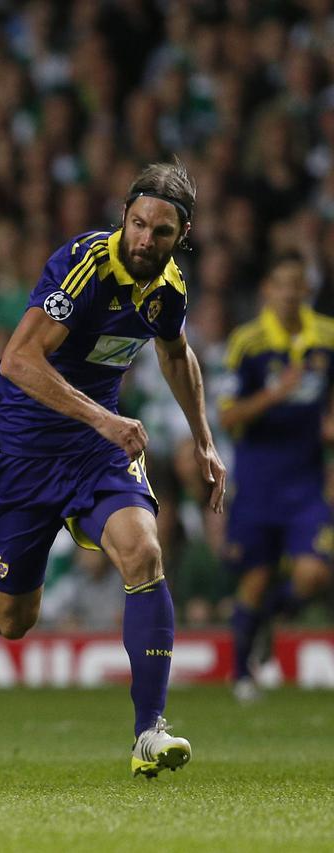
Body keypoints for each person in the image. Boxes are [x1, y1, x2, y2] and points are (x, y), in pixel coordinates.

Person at [0, 161, 227, 778]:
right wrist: (105, 420)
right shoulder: (85, 266)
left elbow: (176, 353)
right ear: (124, 215)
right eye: (138, 223)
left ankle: (149, 731)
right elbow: (17, 360)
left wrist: (203, 439)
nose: (146, 239)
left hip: (96, 455)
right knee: (15, 620)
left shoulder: (169, 286)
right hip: (24, 453)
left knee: (144, 554)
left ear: (183, 234)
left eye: (162, 231)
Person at [219, 253, 334, 702]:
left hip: (305, 480)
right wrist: (274, 394)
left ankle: (267, 621)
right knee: (256, 577)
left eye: (296, 285)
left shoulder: (326, 337)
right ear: (267, 289)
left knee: (312, 573)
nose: (289, 293)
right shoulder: (247, 343)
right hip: (259, 478)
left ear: (305, 290)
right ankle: (240, 674)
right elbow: (228, 417)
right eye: (281, 284)